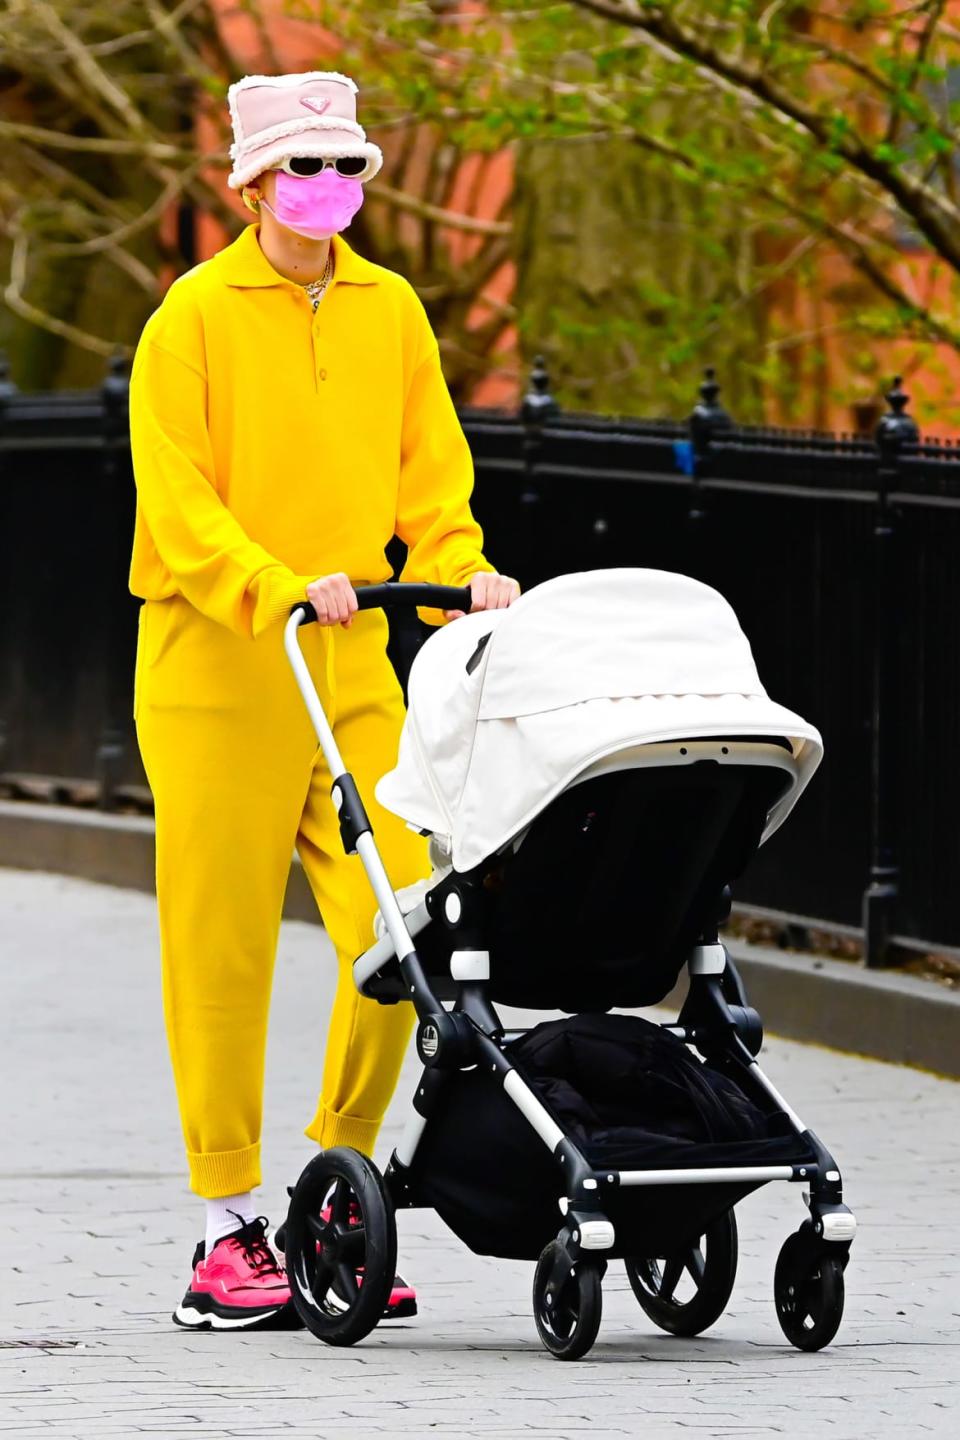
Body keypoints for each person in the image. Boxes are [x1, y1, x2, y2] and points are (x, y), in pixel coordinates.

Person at [128, 69, 518, 1332]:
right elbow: (178, 501)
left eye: (347, 166)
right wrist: (272, 581)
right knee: (223, 946)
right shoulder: (191, 317)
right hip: (221, 662)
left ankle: (330, 1190)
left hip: (352, 665)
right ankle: (224, 1228)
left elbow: (430, 468)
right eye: (303, 167)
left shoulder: (392, 309)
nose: (328, 189)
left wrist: (462, 569)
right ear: (251, 183)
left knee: (405, 924)